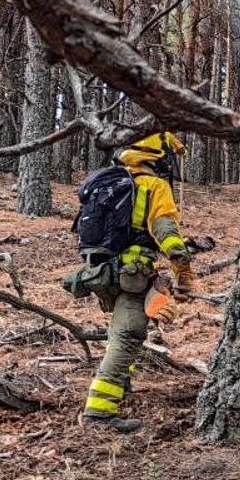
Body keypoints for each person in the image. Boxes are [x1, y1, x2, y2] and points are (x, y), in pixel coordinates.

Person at [79, 133, 195, 432]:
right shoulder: (154, 185)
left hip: (101, 273)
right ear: (158, 157)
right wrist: (183, 270)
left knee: (120, 330)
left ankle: (122, 384)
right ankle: (99, 413)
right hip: (133, 274)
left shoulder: (110, 182)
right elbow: (166, 232)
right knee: (128, 335)